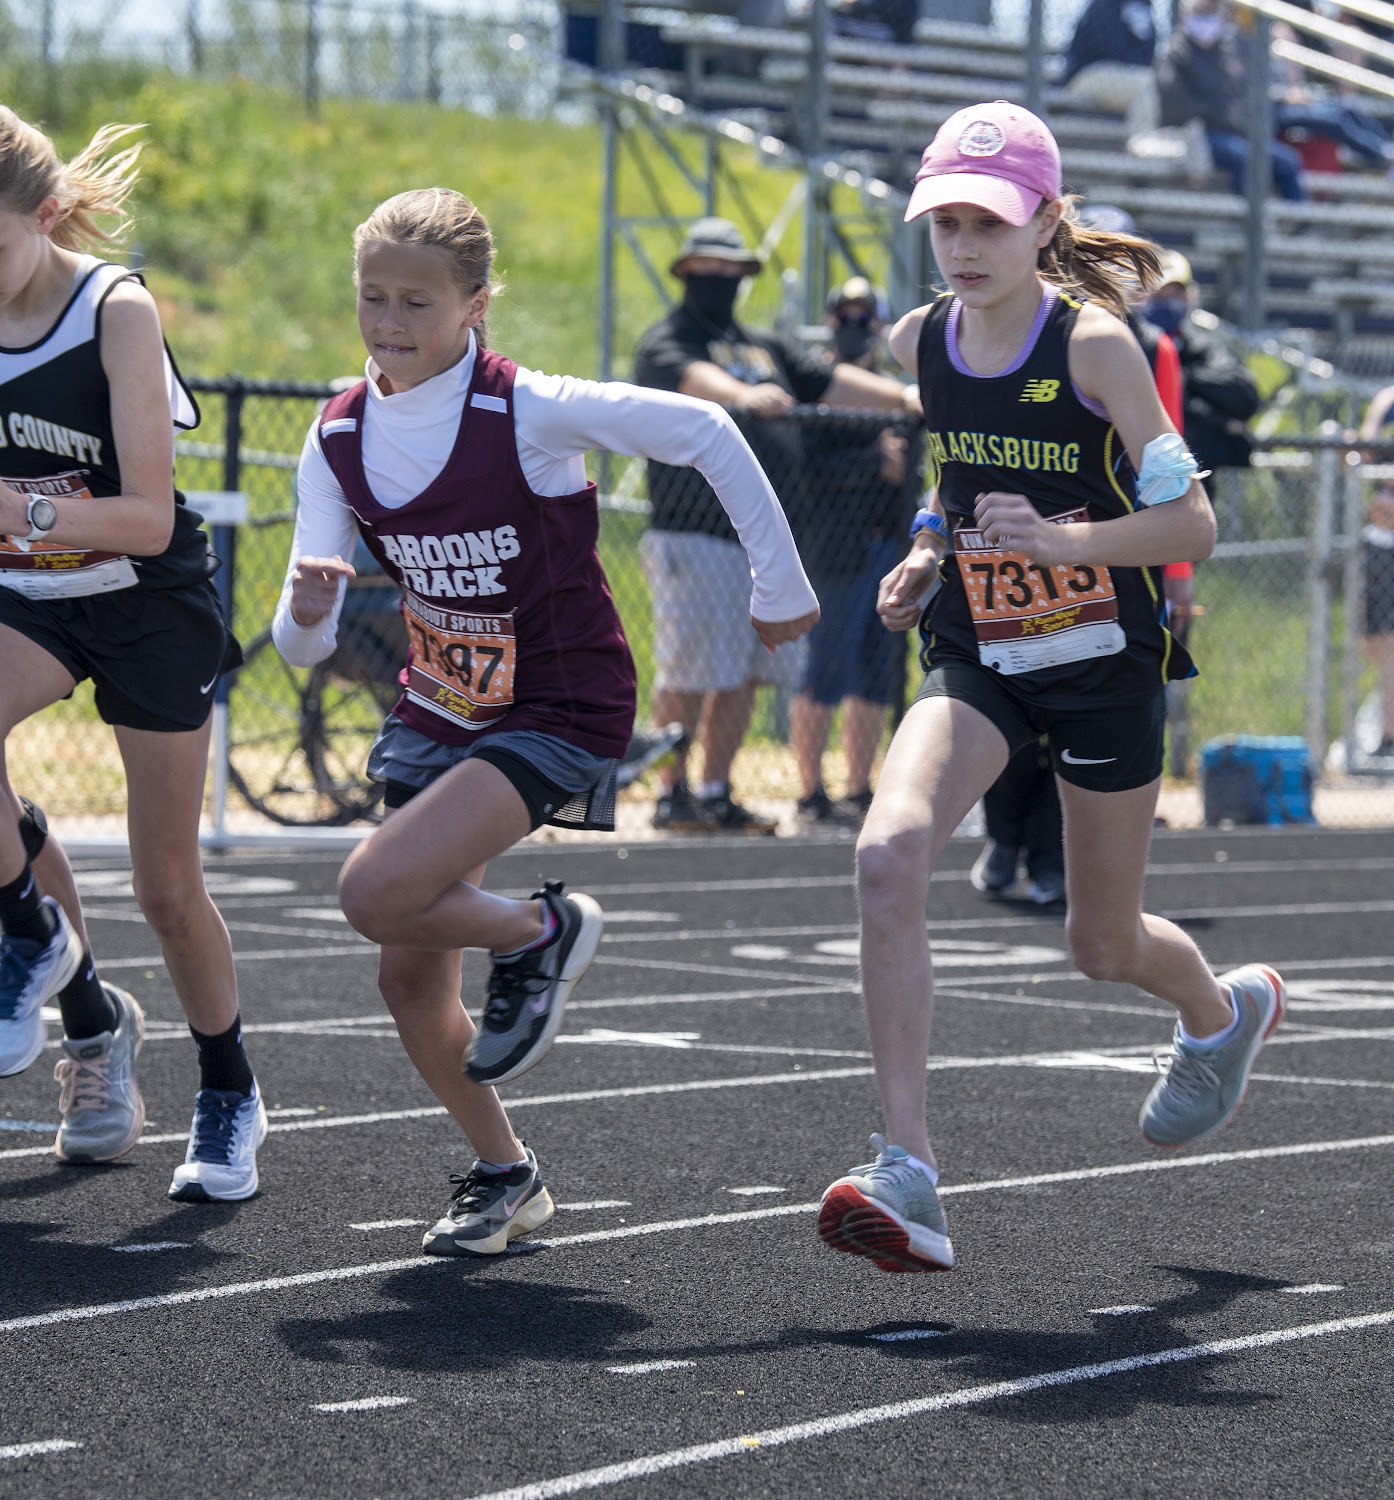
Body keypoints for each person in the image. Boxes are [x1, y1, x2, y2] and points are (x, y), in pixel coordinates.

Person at [273, 188, 817, 1257]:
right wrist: (304, 609)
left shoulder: (528, 410)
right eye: (372, 297)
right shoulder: (335, 433)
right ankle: (504, 1174)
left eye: (417, 302)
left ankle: (540, 930)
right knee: (405, 974)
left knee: (371, 890)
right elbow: (302, 645)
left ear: (475, 304)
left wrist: (778, 582)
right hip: (442, 705)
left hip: (559, 701)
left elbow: (707, 428)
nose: (389, 321)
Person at [815, 100, 1285, 1275]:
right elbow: (955, 474)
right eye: (945, 223)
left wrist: (1065, 544)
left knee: (1100, 943)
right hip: (978, 651)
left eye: (987, 222)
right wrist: (926, 548)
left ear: (1041, 223)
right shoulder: (920, 339)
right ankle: (906, 1167)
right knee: (885, 855)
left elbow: (1193, 523)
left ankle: (1217, 1012)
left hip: (1098, 665)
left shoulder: (1094, 347)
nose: (963, 245)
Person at [0, 107, 263, 1199]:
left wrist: (24, 511)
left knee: (165, 887)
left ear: (45, 215)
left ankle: (229, 1088)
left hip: (145, 598)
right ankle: (49, 962)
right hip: (32, 594)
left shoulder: (115, 309)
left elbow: (150, 519)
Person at [634, 217, 919, 834]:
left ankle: (715, 790)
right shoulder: (669, 339)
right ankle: (670, 791)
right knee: (690, 671)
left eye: (730, 270)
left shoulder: (764, 344)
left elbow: (829, 381)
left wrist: (903, 398)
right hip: (697, 530)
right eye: (708, 269)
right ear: (686, 273)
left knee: (746, 674)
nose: (720, 279)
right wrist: (743, 395)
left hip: (761, 538)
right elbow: (692, 379)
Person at [792, 278, 921, 826]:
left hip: (886, 546)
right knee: (825, 667)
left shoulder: (893, 395)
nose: (853, 327)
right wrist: (875, 463)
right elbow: (805, 467)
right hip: (833, 550)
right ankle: (809, 791)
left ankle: (860, 787)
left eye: (864, 317)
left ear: (879, 326)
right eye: (843, 316)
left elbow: (912, 467)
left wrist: (894, 469)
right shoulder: (813, 389)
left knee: (876, 670)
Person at [1157, 0, 1307, 202]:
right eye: (1202, 13)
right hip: (1199, 133)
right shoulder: (1176, 52)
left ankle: (1298, 216)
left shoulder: (1228, 54)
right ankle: (1251, 217)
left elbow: (1244, 97)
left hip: (1235, 134)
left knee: (1287, 160)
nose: (1207, 20)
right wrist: (1214, 113)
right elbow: (1174, 102)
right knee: (1246, 157)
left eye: (1212, 13)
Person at [1355, 383, 1394, 761]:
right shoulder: (1387, 400)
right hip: (1383, 545)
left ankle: (1389, 734)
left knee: (1389, 644)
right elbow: (1365, 450)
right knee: (1374, 642)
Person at [1059, 0, 1161, 141]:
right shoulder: (1105, 4)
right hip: (1086, 76)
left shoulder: (1144, 5)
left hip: (1129, 76)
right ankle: (1140, 142)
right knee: (1147, 85)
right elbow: (1109, 47)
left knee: (1154, 83)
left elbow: (1148, 51)